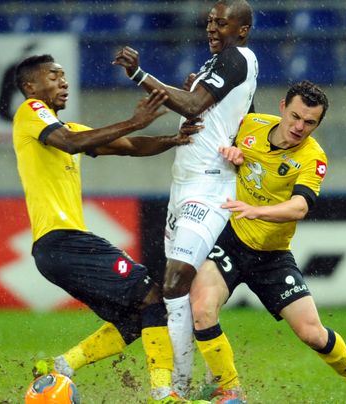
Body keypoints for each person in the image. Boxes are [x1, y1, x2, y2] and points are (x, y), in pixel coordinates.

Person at [190, 81, 346, 404]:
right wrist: (229, 153)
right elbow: (209, 144)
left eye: (310, 123)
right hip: (230, 240)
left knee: (312, 333)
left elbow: (300, 207)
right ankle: (229, 390)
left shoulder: (313, 157)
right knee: (203, 309)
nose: (300, 127)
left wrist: (257, 210)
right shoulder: (249, 125)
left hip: (272, 256)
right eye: (296, 117)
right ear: (282, 108)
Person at [12, 54, 206, 404]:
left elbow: (129, 148)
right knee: (152, 293)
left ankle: (60, 366)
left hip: (58, 249)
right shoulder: (31, 113)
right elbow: (73, 144)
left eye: (64, 76)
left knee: (137, 317)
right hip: (63, 242)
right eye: (54, 77)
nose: (64, 83)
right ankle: (163, 394)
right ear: (31, 87)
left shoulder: (70, 131)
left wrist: (172, 139)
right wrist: (134, 121)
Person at [113, 1, 257, 398]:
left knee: (176, 282)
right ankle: (193, 387)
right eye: (210, 21)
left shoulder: (238, 56)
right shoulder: (216, 65)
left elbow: (194, 106)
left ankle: (184, 390)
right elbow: (233, 110)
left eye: (221, 23)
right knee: (173, 289)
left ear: (242, 30)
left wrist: (139, 74)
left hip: (210, 187)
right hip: (184, 185)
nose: (212, 28)